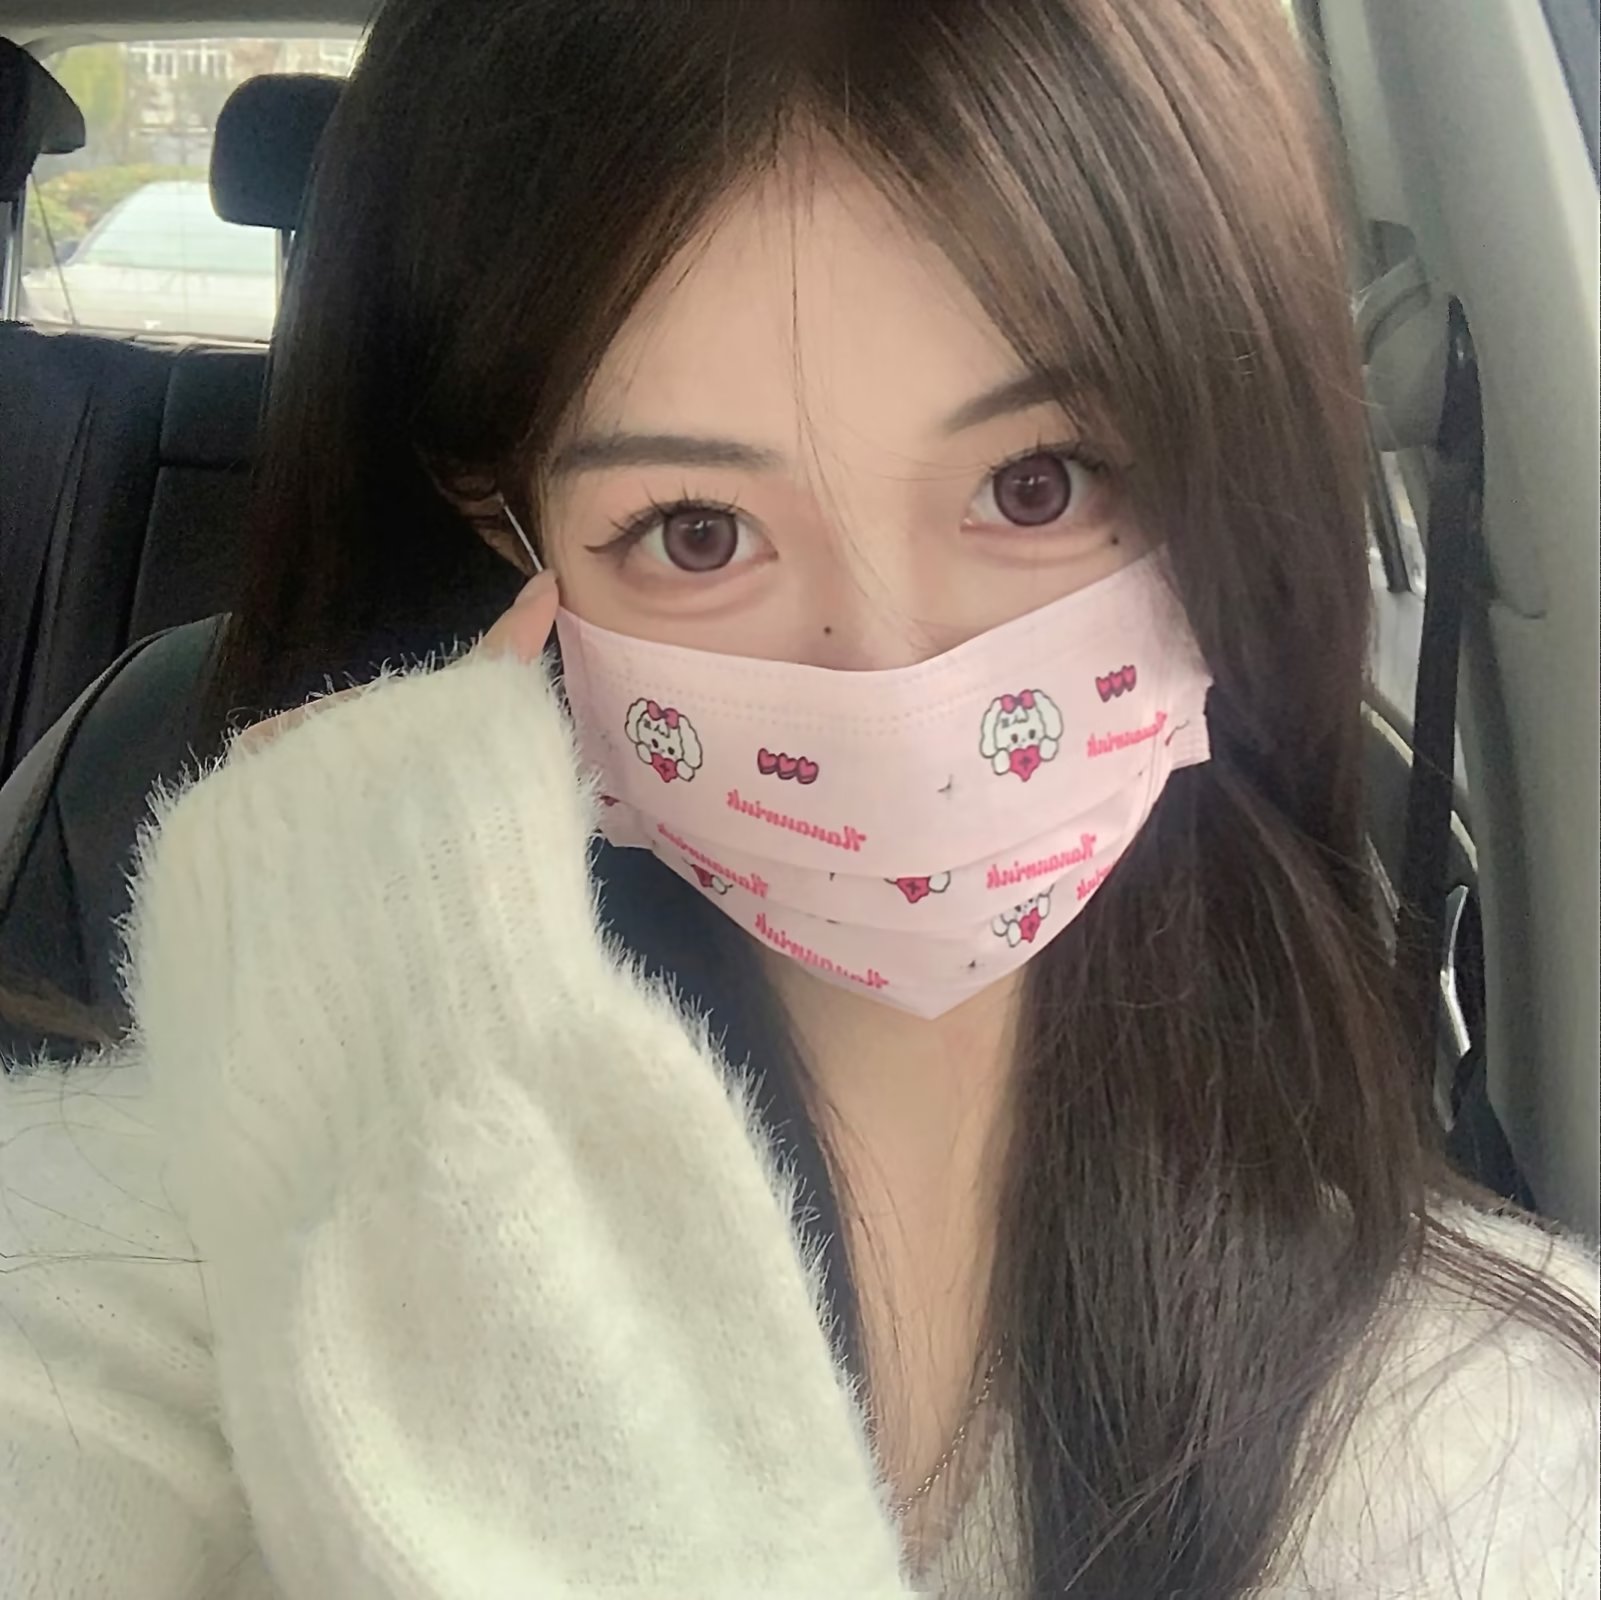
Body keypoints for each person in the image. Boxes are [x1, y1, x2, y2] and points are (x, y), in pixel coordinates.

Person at [1, 0, 1597, 1595]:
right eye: (696, 532)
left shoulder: (1485, 1434)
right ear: (511, 529)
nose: (893, 681)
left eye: (1034, 484)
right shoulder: (140, 1253)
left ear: (1222, 478)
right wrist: (413, 1102)